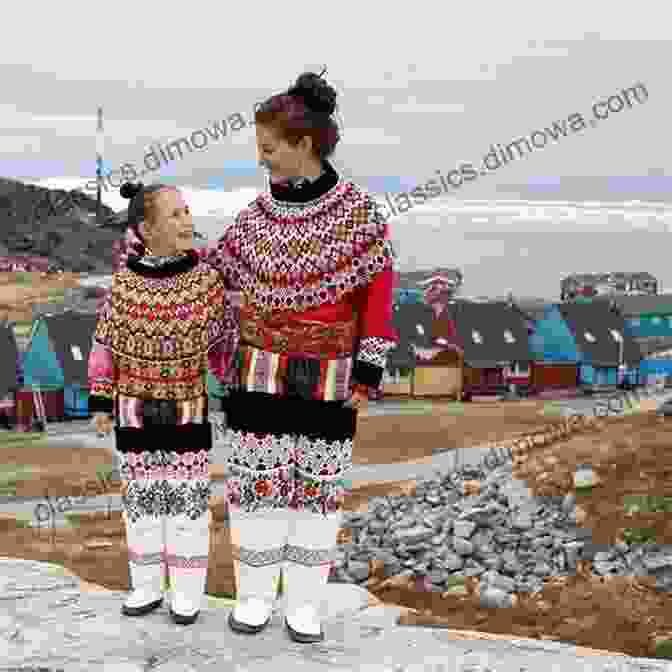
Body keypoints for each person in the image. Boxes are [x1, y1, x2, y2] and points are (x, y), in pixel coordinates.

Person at [201, 69, 398, 642]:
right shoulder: (254, 219)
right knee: (256, 486)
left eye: (268, 149)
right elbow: (220, 274)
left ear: (303, 145)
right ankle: (255, 598)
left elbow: (378, 298)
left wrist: (369, 367)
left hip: (330, 378)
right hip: (257, 375)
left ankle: (304, 605)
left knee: (316, 491)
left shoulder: (359, 216)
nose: (261, 160)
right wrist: (164, 257)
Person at [88, 182, 240, 625]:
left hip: (188, 415)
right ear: (145, 229)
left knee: (188, 505)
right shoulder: (123, 286)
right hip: (133, 416)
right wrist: (100, 400)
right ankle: (146, 586)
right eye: (175, 215)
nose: (187, 221)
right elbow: (103, 345)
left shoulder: (206, 284)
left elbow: (224, 344)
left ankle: (187, 593)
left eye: (187, 211)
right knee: (142, 505)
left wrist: (231, 386)